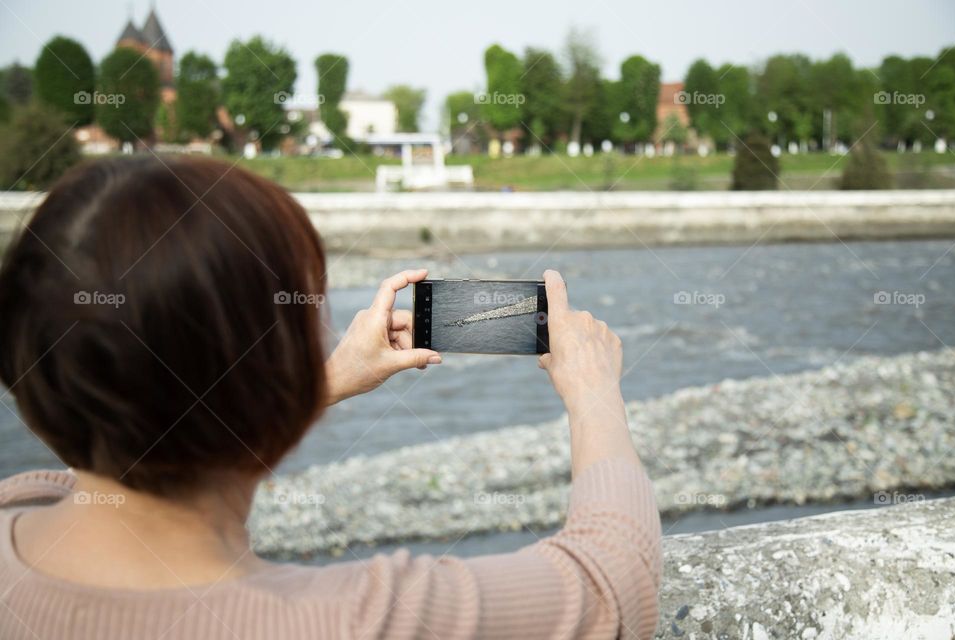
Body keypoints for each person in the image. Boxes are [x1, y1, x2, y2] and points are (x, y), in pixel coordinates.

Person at [0, 156, 661, 639]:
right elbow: (614, 583)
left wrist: (322, 379)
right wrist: (593, 388)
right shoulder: (351, 618)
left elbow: (130, 452)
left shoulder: (14, 517)